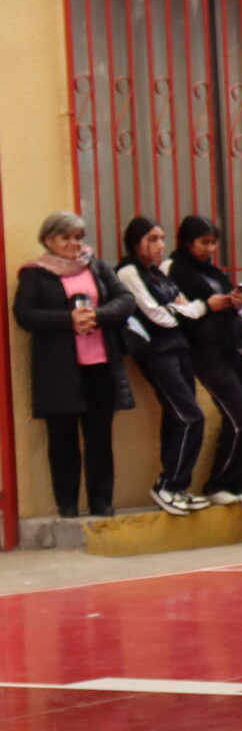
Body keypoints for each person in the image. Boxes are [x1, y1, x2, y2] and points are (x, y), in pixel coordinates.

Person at [14, 210, 130, 519]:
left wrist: (97, 316)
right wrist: (69, 320)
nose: (74, 244)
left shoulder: (96, 265)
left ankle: (101, 502)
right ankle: (67, 504)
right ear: (48, 240)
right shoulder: (35, 274)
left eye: (78, 237)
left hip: (100, 364)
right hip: (59, 369)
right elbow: (24, 314)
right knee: (62, 439)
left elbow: (125, 300)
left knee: (99, 436)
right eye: (65, 237)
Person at [113, 216, 209, 514]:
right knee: (191, 417)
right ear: (135, 242)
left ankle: (177, 486)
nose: (160, 245)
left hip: (180, 350)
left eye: (162, 239)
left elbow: (187, 308)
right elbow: (157, 316)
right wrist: (187, 309)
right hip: (157, 354)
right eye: (152, 239)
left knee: (176, 417)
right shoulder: (128, 272)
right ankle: (167, 485)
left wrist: (185, 309)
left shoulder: (159, 272)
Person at [168, 216, 242, 510]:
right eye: (204, 242)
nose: (210, 249)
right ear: (187, 242)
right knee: (240, 418)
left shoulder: (216, 273)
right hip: (207, 353)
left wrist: (237, 303)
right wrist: (209, 306)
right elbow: (179, 311)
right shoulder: (175, 269)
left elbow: (238, 309)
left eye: (213, 242)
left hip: (236, 347)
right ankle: (218, 483)